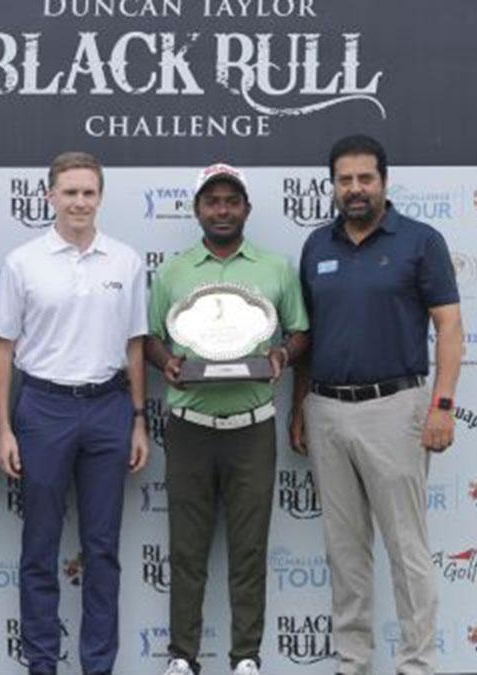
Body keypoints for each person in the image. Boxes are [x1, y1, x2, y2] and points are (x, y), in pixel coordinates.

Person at [289, 134, 464, 675]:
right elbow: (309, 336)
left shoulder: (419, 241)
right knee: (345, 550)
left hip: (397, 409)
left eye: (366, 178)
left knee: (406, 548)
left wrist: (443, 404)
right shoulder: (317, 246)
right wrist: (299, 406)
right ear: (334, 185)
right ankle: (352, 662)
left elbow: (450, 326)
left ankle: (417, 664)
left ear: (384, 182)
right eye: (345, 180)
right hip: (325, 410)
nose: (356, 189)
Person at [0, 151, 150, 675]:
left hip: (108, 409)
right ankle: (41, 665)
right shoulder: (22, 262)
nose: (79, 201)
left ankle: (97, 665)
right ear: (50, 195)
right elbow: (2, 347)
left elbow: (135, 346)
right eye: (70, 192)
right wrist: (5, 427)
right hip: (43, 410)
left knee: (102, 550)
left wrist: (140, 418)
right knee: (39, 548)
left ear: (100, 197)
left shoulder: (125, 260)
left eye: (88, 192)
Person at [146, 164, 309, 675]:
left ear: (246, 209)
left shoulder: (276, 268)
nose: (221, 210)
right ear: (197, 210)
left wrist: (282, 354)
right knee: (187, 549)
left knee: (248, 548)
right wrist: (165, 362)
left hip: (251, 426)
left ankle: (246, 657)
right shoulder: (173, 271)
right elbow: (151, 336)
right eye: (212, 201)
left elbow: (301, 331)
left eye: (231, 201)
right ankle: (182, 656)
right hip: (190, 426)